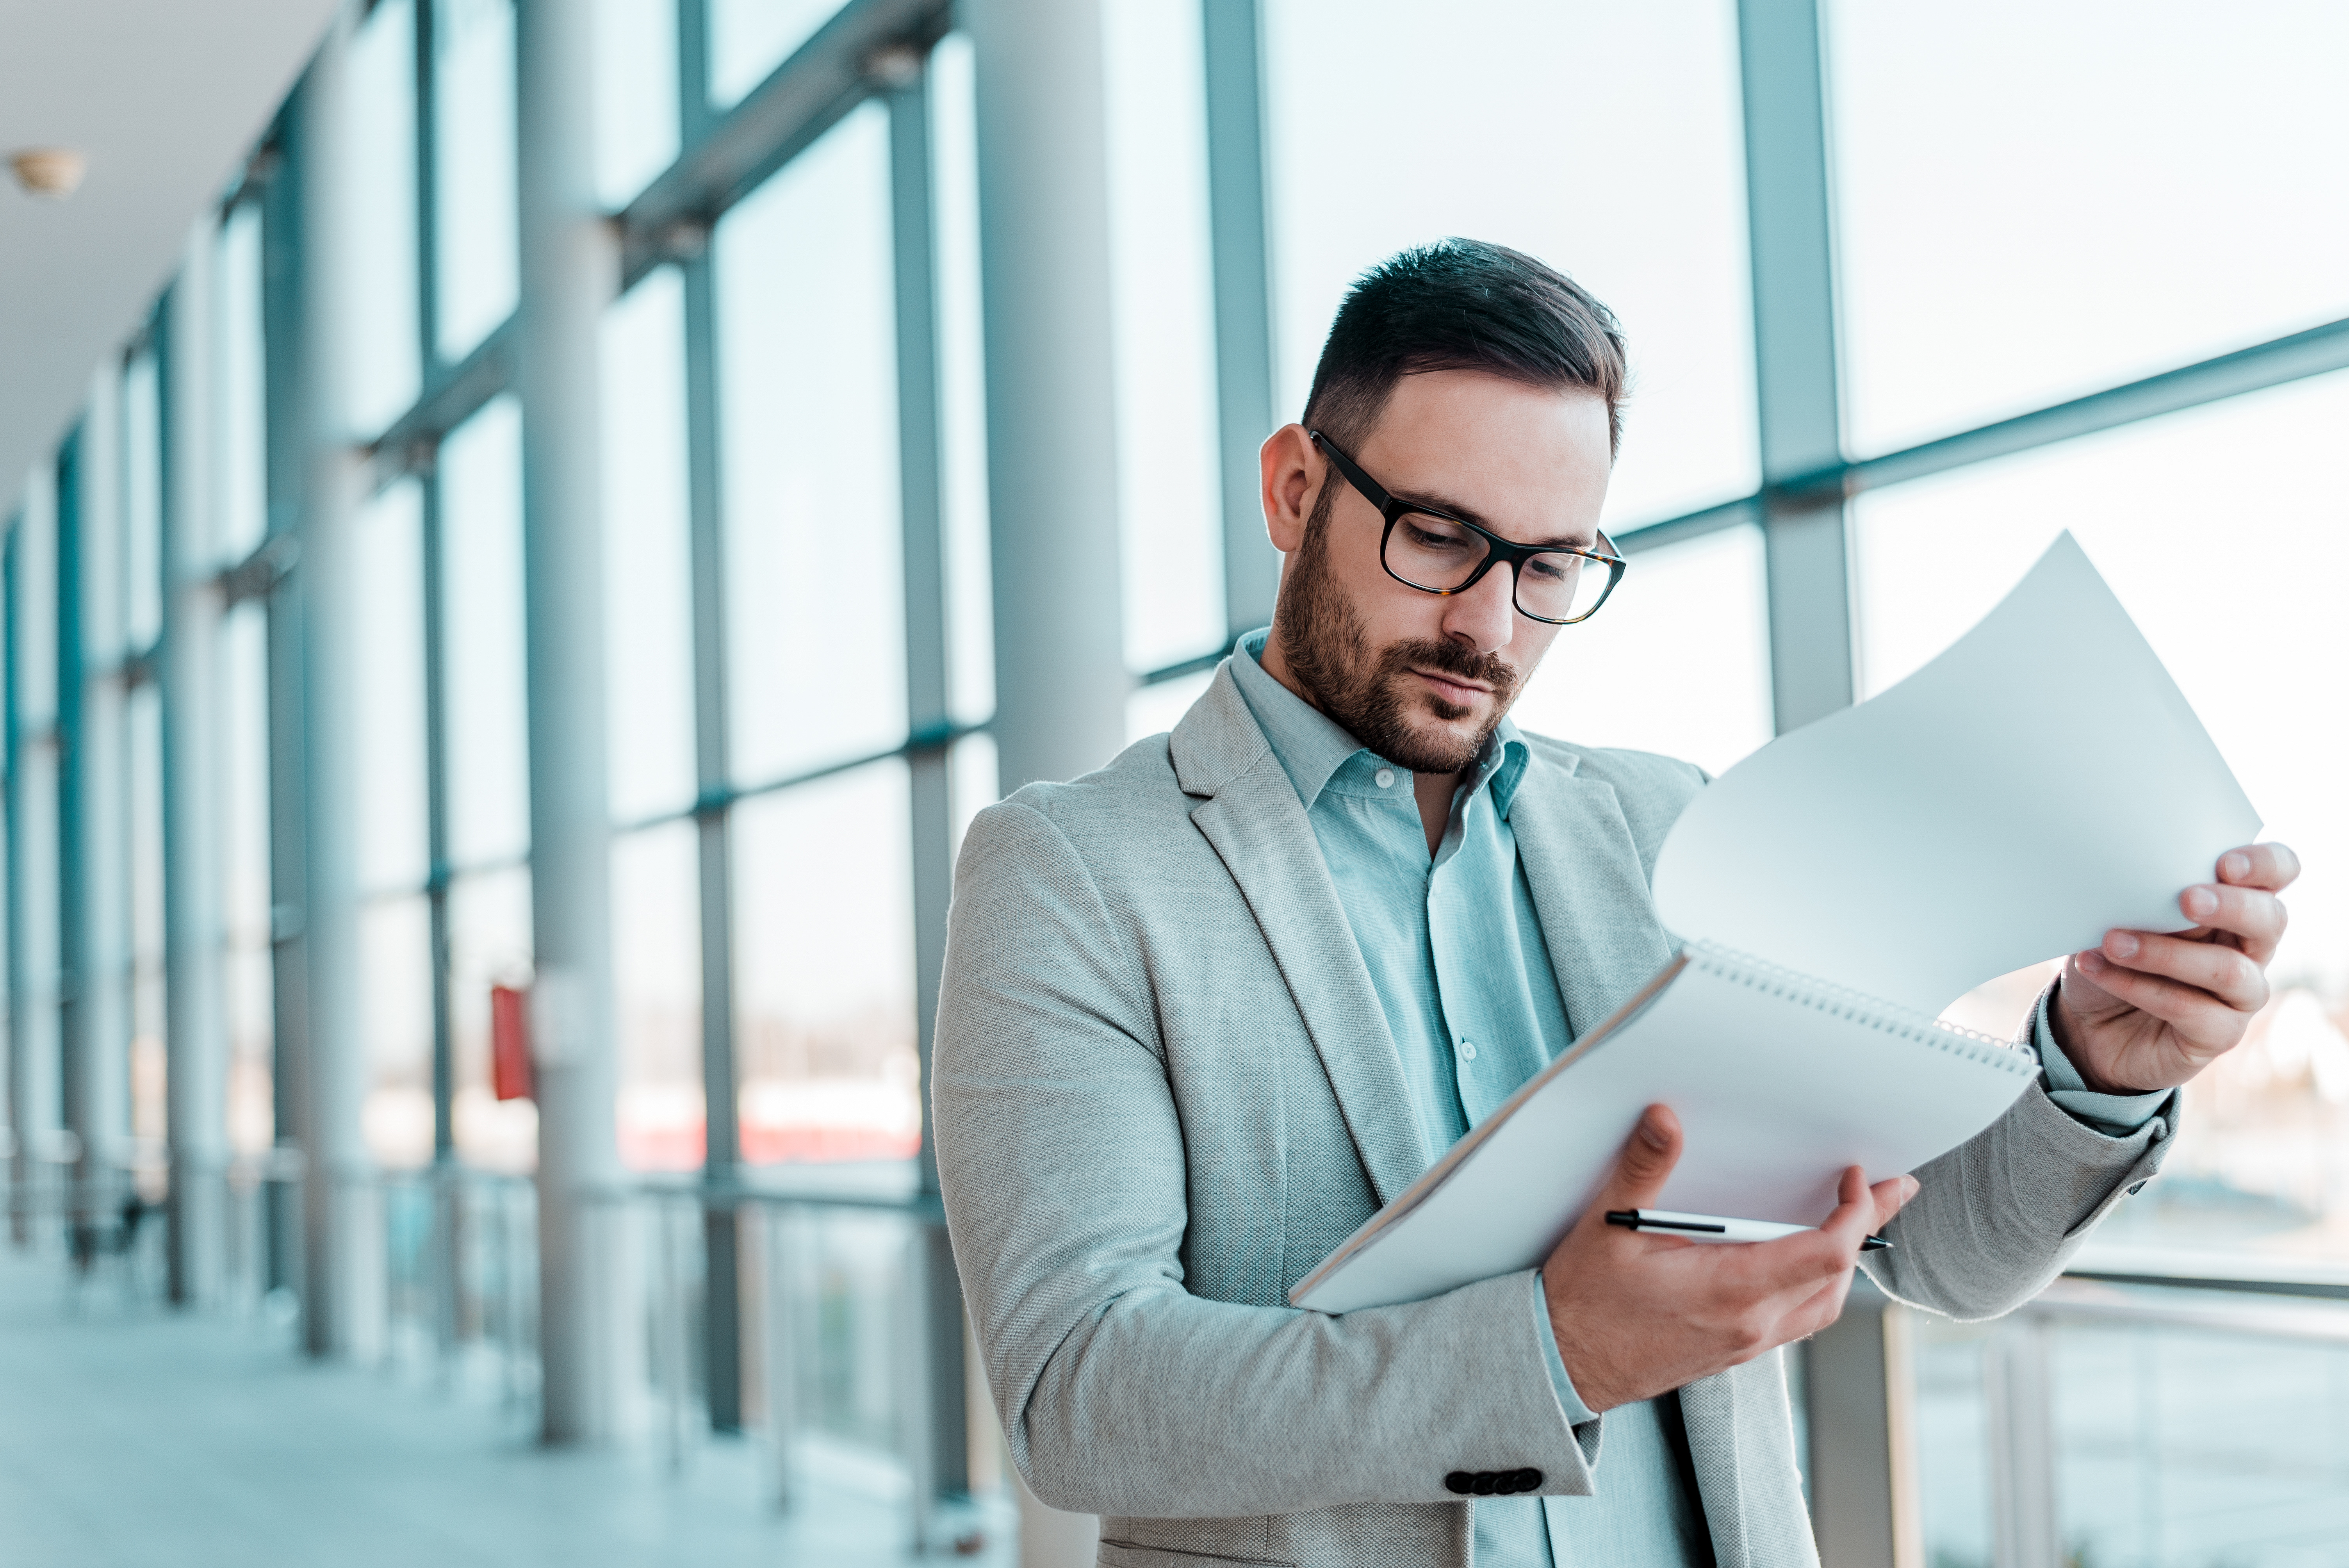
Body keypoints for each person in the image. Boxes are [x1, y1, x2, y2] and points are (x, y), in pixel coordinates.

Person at [932, 238, 2298, 1568]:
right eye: (1439, 538)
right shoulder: (1077, 871)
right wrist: (1554, 1351)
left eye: (1547, 567)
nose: (1491, 627)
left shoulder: (1664, 828)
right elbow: (1080, 1393)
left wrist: (2096, 1068)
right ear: (1296, 489)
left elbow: (1928, 1249)